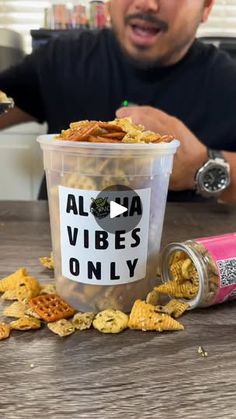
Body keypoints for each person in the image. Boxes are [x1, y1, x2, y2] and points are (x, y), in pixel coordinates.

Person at [0, 0, 235, 202]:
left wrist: (203, 166)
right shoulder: (61, 58)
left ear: (206, 7)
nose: (146, 4)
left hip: (179, 246)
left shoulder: (227, 83)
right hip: (63, 244)